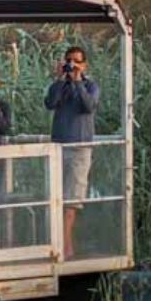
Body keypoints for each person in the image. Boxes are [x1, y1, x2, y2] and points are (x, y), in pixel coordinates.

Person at [44, 45, 99, 259]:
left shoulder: (91, 86)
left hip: (80, 148)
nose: (72, 64)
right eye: (69, 60)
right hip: (58, 148)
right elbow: (50, 103)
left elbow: (88, 106)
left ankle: (66, 246)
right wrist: (61, 79)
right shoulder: (60, 86)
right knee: (56, 199)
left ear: (84, 65)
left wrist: (77, 81)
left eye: (77, 61)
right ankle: (61, 244)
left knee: (71, 202)